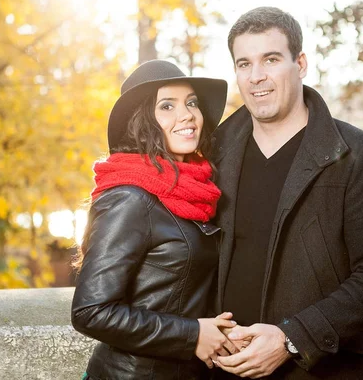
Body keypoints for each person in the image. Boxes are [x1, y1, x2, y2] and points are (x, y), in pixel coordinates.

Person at [211, 7, 363, 379]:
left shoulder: (357, 155)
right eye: (244, 64)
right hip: (220, 369)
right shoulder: (215, 152)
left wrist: (291, 338)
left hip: (317, 371)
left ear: (300, 63)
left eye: (270, 59)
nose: (257, 77)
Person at [71, 59, 239, 380]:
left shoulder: (196, 190)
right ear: (142, 121)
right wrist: (192, 336)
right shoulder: (129, 197)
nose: (187, 114)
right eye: (167, 106)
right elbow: (90, 312)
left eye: (191, 103)